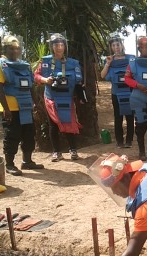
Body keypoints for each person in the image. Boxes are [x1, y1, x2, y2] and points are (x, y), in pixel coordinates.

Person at [0, 35, 44, 176]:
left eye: (17, 48)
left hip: (26, 107)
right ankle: (9, 164)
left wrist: (36, 104)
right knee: (12, 136)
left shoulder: (25, 66)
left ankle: (27, 161)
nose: (14, 51)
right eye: (11, 48)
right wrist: (6, 109)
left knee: (29, 134)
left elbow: (31, 86)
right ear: (5, 49)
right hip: (11, 109)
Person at [34, 33, 85, 161]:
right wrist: (46, 80)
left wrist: (81, 96)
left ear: (65, 46)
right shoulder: (45, 62)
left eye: (61, 44)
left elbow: (79, 81)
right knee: (53, 125)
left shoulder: (73, 63)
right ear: (52, 46)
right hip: (51, 98)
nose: (59, 47)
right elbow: (36, 76)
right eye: (56, 45)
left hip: (67, 98)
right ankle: (56, 152)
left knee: (69, 121)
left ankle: (73, 150)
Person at [101, 34, 135, 148]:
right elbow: (102, 75)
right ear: (111, 47)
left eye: (118, 44)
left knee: (130, 116)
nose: (116, 47)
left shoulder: (131, 58)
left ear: (122, 45)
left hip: (130, 91)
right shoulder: (109, 59)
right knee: (118, 116)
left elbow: (136, 72)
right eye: (114, 45)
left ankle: (129, 140)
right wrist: (108, 63)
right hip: (116, 93)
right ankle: (119, 141)